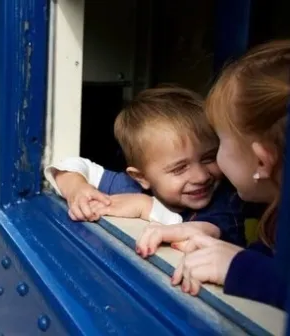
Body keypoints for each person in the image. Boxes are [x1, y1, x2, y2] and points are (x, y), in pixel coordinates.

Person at [135, 39, 290, 309]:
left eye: (218, 143)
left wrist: (244, 271)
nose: (201, 175)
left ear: (262, 162)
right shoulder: (277, 218)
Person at [44, 87, 246, 246]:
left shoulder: (225, 201)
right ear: (141, 177)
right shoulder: (130, 185)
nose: (201, 176)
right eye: (179, 168)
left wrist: (145, 206)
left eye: (208, 158)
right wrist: (77, 189)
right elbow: (70, 165)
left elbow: (201, 233)